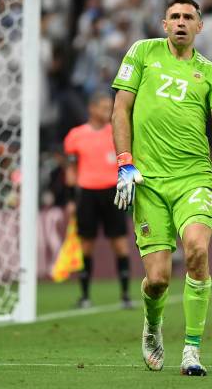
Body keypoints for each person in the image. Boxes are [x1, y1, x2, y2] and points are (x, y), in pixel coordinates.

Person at [110, 0, 212, 376]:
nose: (181, 22)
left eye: (188, 17)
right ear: (164, 24)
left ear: (200, 27)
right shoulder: (142, 52)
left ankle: (192, 351)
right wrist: (124, 162)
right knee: (158, 280)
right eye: (175, 17)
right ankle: (153, 325)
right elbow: (121, 109)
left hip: (194, 179)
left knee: (198, 250)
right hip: (147, 181)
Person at [63, 91, 132, 309]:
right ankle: (84, 296)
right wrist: (71, 199)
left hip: (113, 192)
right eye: (104, 107)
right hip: (87, 194)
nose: (108, 111)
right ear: (92, 109)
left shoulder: (117, 133)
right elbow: (71, 170)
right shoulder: (76, 135)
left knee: (120, 244)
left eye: (109, 107)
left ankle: (125, 295)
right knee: (86, 246)